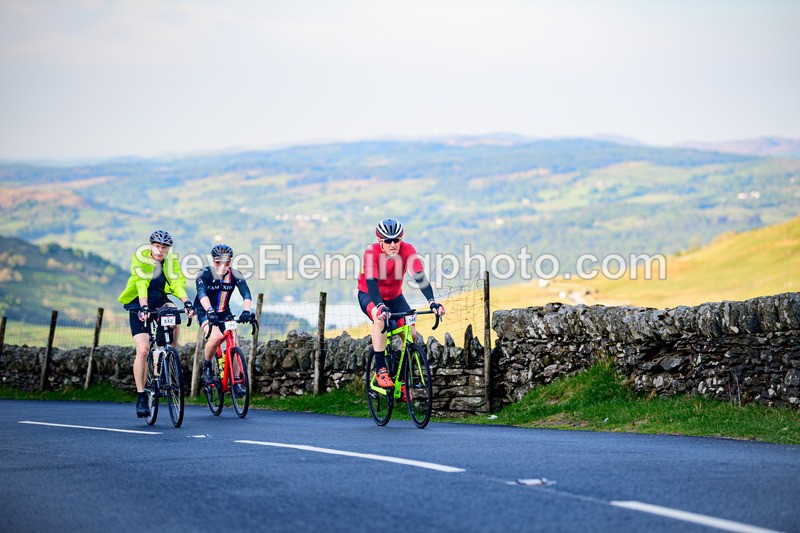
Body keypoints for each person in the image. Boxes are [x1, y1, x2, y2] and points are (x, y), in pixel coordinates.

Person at [357, 218, 445, 391]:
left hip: (395, 297)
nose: (393, 244)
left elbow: (419, 276)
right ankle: (381, 370)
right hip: (370, 295)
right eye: (388, 241)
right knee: (380, 319)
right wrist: (380, 306)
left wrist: (432, 302)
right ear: (380, 241)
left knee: (411, 333)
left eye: (396, 240)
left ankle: (402, 379)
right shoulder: (371, 253)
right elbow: (372, 284)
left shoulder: (407, 250)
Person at [118, 230, 195, 418]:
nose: (161, 251)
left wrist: (186, 301)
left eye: (165, 248)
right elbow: (141, 283)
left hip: (159, 300)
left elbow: (176, 282)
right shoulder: (140, 258)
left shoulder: (170, 261)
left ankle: (169, 353)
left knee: (174, 316)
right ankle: (141, 396)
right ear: (151, 246)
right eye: (158, 246)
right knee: (143, 350)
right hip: (139, 302)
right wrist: (144, 307)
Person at [194, 244, 253, 397]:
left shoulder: (235, 274)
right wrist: (209, 311)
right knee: (216, 337)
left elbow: (246, 293)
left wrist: (246, 311)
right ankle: (206, 366)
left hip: (224, 312)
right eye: (218, 262)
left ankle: (237, 381)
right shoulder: (204, 273)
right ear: (213, 261)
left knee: (233, 341)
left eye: (227, 262)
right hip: (205, 310)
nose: (223, 266)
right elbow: (201, 294)